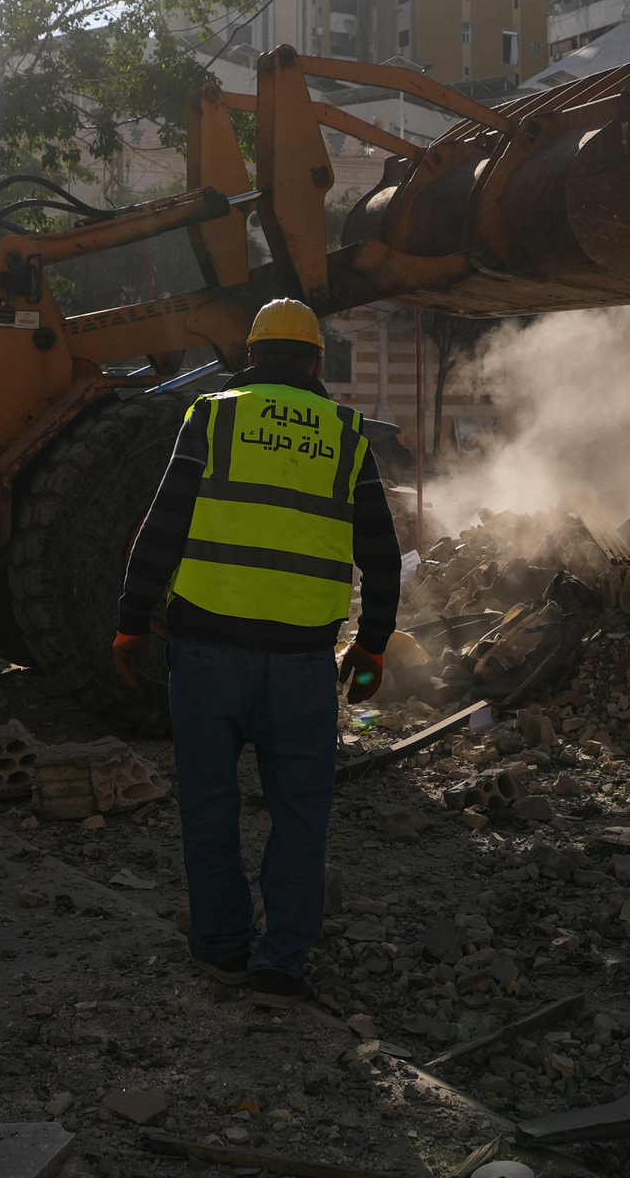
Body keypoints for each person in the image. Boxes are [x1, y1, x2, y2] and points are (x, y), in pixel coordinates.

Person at [110, 299, 399, 1002]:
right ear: (315, 362)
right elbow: (383, 558)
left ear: (251, 352)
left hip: (205, 655)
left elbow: (162, 528)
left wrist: (131, 619)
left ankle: (219, 948)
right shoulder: (346, 433)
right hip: (301, 664)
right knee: (300, 812)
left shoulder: (211, 417)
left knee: (209, 806)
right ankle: (281, 963)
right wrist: (373, 646)